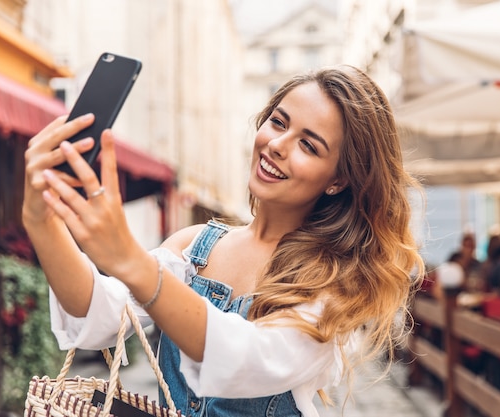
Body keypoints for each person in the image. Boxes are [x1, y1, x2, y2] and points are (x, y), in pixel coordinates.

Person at [22, 65, 425, 417]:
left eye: (308, 145)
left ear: (338, 180)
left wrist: (131, 260)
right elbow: (100, 317)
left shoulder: (333, 283)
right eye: (279, 122)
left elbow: (245, 358)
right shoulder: (197, 246)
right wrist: (41, 220)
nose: (277, 146)